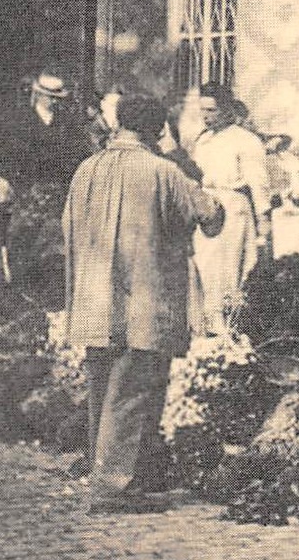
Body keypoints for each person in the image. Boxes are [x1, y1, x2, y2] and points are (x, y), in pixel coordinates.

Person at [62, 93, 224, 514]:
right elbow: (211, 217)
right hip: (145, 299)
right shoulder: (162, 171)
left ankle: (117, 472)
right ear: (156, 130)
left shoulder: (86, 169)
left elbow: (68, 228)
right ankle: (115, 488)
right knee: (134, 389)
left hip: (96, 296)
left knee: (103, 387)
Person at [0, 72, 95, 307]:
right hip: (26, 195)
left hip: (59, 195)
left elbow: (82, 157)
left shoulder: (69, 125)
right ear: (37, 93)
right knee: (22, 246)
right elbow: (5, 158)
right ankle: (22, 302)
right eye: (49, 96)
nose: (54, 102)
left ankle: (52, 305)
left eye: (58, 97)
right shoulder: (18, 121)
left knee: (56, 250)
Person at [190, 90, 271, 335]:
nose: (205, 116)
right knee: (203, 264)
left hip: (232, 209)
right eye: (202, 110)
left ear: (227, 109)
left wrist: (263, 222)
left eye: (212, 110)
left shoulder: (246, 141)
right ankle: (202, 322)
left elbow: (259, 184)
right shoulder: (203, 140)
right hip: (205, 207)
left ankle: (225, 324)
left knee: (226, 268)